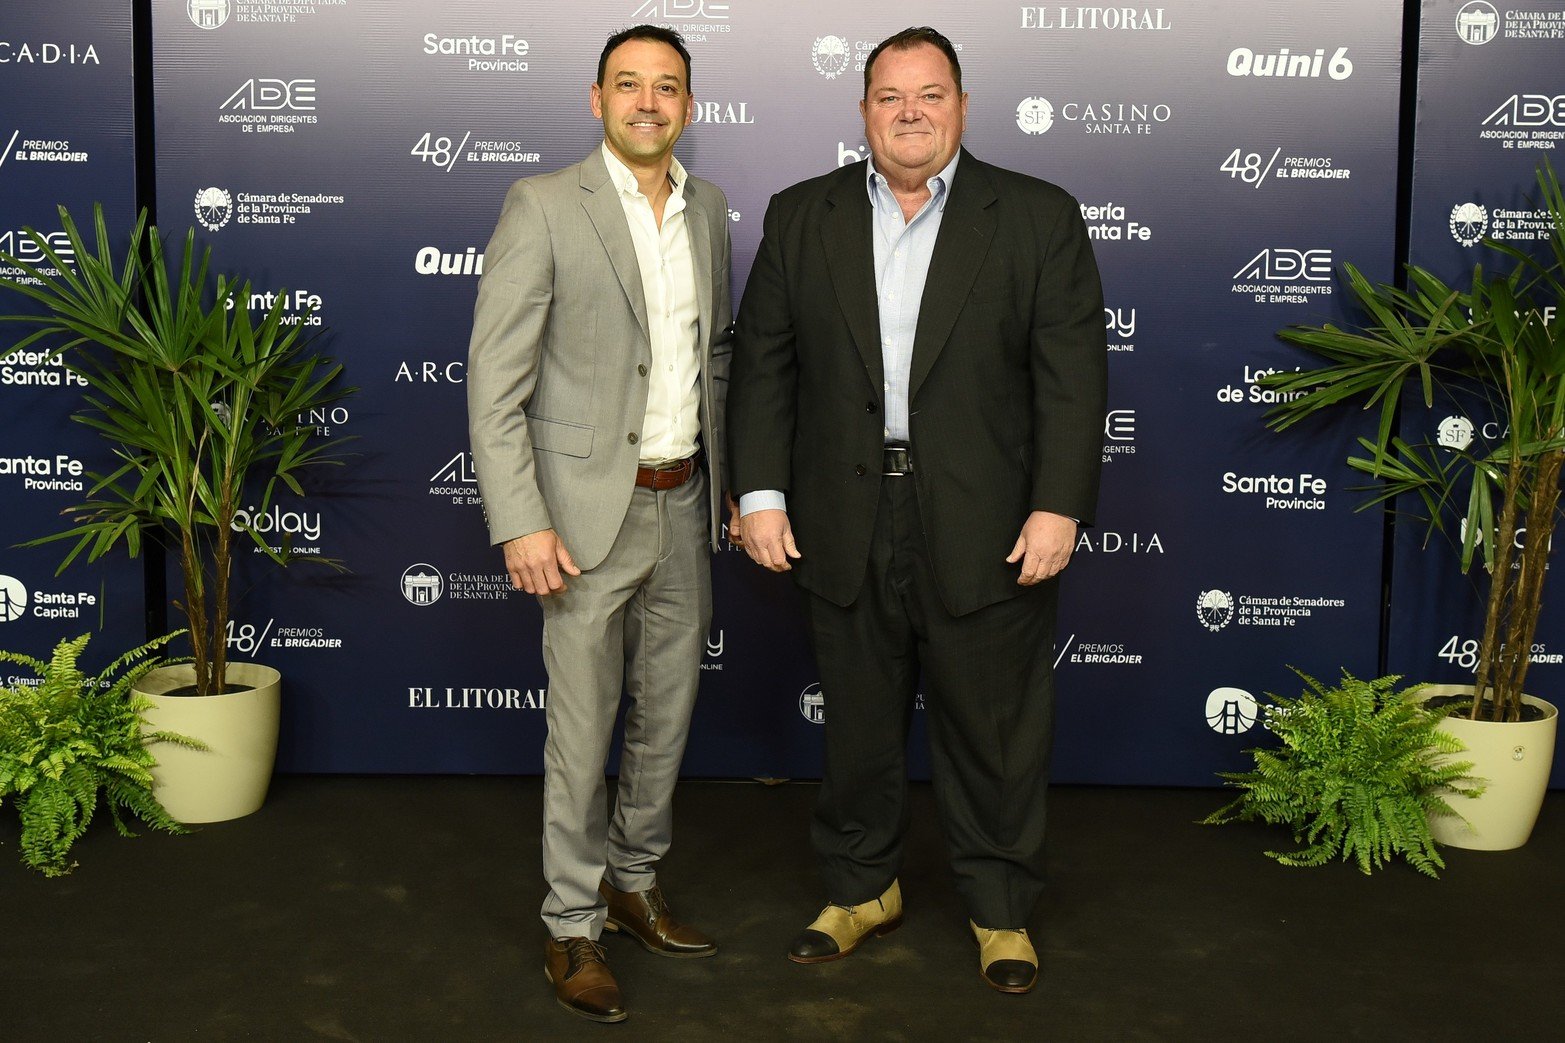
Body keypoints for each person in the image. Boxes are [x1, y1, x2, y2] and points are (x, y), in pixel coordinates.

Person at [727, 26, 1107, 994]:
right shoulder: (800, 214)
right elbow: (764, 365)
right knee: (855, 722)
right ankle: (860, 887)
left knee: (992, 727)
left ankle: (1000, 907)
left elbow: (1071, 381)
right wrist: (759, 492)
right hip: (840, 515)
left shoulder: (1034, 215)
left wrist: (1056, 505)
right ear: (861, 111)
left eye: (929, 94)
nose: (909, 112)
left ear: (961, 107)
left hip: (985, 518)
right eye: (889, 95)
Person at [466, 24, 734, 1025]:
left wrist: (737, 490)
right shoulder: (541, 205)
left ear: (688, 108)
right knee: (583, 734)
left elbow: (716, 363)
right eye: (629, 85)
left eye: (667, 87)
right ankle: (570, 921)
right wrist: (519, 521)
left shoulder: (706, 210)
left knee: (665, 718)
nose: (648, 102)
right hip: (580, 521)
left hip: (684, 501)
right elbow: (495, 381)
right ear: (596, 99)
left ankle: (633, 880)